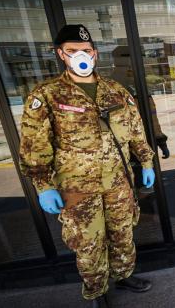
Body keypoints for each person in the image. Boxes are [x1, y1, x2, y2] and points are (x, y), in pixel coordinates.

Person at [19, 25, 156, 308]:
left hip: (119, 181)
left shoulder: (115, 90)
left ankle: (123, 275)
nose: (80, 56)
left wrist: (146, 161)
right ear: (61, 55)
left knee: (122, 232)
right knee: (88, 242)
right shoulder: (47, 94)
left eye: (86, 50)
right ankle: (97, 291)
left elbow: (135, 129)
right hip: (77, 187)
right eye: (72, 51)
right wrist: (43, 186)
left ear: (94, 53)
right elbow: (34, 145)